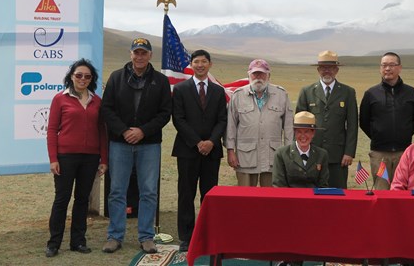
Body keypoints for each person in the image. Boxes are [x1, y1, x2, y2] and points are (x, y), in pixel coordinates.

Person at [101, 38, 172, 254]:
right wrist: (124, 131)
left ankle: (146, 237)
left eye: (144, 53)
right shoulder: (116, 77)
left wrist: (142, 131)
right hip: (119, 143)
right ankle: (115, 236)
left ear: (150, 55)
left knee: (149, 191)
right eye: (136, 53)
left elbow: (164, 113)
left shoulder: (160, 81)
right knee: (116, 191)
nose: (139, 57)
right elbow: (107, 109)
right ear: (130, 54)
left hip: (149, 144)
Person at [45, 59, 108, 258]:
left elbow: (103, 131)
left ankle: (78, 241)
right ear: (71, 76)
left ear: (92, 79)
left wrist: (104, 159)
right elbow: (52, 130)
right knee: (61, 199)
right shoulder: (60, 99)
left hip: (90, 158)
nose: (82, 79)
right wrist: (53, 158)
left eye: (87, 76)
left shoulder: (97, 100)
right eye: (79, 75)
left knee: (82, 200)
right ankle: (54, 243)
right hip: (65, 157)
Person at [171, 50, 227, 252]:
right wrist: (197, 142)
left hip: (211, 151)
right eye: (197, 61)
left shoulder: (218, 91)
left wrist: (211, 142)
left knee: (209, 194)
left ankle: (208, 232)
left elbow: (222, 119)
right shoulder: (180, 89)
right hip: (187, 150)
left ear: (210, 64)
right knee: (186, 193)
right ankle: (186, 237)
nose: (200, 65)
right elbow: (178, 118)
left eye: (204, 61)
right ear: (191, 65)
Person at [359, 52, 414, 190]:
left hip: (404, 152)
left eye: (391, 65)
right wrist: (378, 135)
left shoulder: (411, 93)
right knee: (381, 190)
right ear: (380, 68)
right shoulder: (371, 93)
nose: (387, 68)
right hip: (379, 154)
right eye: (384, 65)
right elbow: (364, 121)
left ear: (399, 67)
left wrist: (405, 135)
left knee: (402, 190)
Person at [226, 59, 294, 187]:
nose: (258, 77)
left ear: (269, 76)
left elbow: (289, 127)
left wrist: (288, 153)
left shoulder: (281, 94)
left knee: (271, 199)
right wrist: (230, 151)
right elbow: (231, 126)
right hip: (245, 156)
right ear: (249, 75)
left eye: (262, 74)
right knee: (245, 197)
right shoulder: (238, 95)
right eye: (255, 74)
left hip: (273, 156)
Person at [296, 50, 357, 189]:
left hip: (338, 156)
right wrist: (301, 150)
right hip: (312, 153)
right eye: (323, 68)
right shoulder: (307, 91)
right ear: (318, 70)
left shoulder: (348, 92)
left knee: (337, 193)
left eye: (330, 68)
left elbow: (352, 125)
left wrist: (349, 152)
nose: (327, 71)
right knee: (311, 193)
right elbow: (299, 126)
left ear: (336, 70)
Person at [272, 111, 330, 188]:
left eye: (307, 132)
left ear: (313, 133)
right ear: (294, 133)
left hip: (313, 198)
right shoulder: (281, 154)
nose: (303, 136)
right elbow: (278, 185)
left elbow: (323, 186)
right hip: (289, 198)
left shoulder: (322, 154)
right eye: (299, 132)